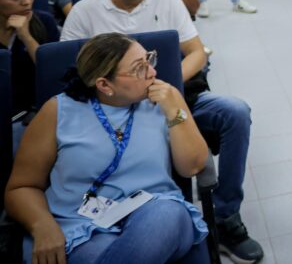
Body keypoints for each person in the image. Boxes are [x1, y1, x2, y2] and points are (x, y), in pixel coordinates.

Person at [60, 0, 263, 262]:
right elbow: (71, 73)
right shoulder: (85, 13)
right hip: (114, 104)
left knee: (235, 112)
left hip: (173, 92)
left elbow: (198, 52)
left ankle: (225, 216)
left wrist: (166, 87)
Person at [6, 33, 209, 264]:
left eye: (149, 59)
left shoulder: (164, 100)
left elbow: (193, 166)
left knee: (167, 214)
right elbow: (22, 186)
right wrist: (42, 225)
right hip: (82, 225)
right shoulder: (58, 111)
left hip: (156, 212)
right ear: (104, 85)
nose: (152, 72)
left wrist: (175, 110)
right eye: (139, 68)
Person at [0, 0, 58, 150]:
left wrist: (26, 36)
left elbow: (52, 75)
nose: (26, 1)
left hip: (32, 115)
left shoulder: (44, 21)